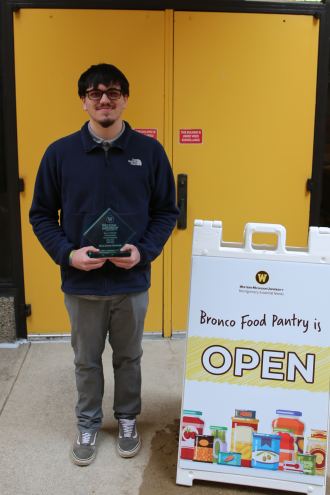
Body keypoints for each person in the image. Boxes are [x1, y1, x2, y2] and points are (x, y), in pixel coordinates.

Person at [29, 64, 179, 466]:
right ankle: (88, 422)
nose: (104, 100)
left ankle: (128, 418)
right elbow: (41, 214)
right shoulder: (60, 153)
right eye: (95, 94)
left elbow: (167, 211)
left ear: (125, 99)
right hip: (82, 284)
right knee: (86, 359)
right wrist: (67, 253)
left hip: (131, 283)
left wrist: (143, 252)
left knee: (129, 357)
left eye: (113, 92)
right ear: (84, 102)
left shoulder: (149, 152)